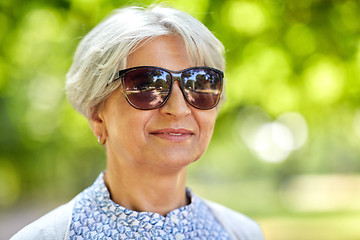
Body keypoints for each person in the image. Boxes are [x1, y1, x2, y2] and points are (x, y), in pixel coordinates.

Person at [12, 5, 264, 240]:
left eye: (199, 84)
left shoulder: (242, 233)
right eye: (147, 85)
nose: (178, 109)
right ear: (97, 115)